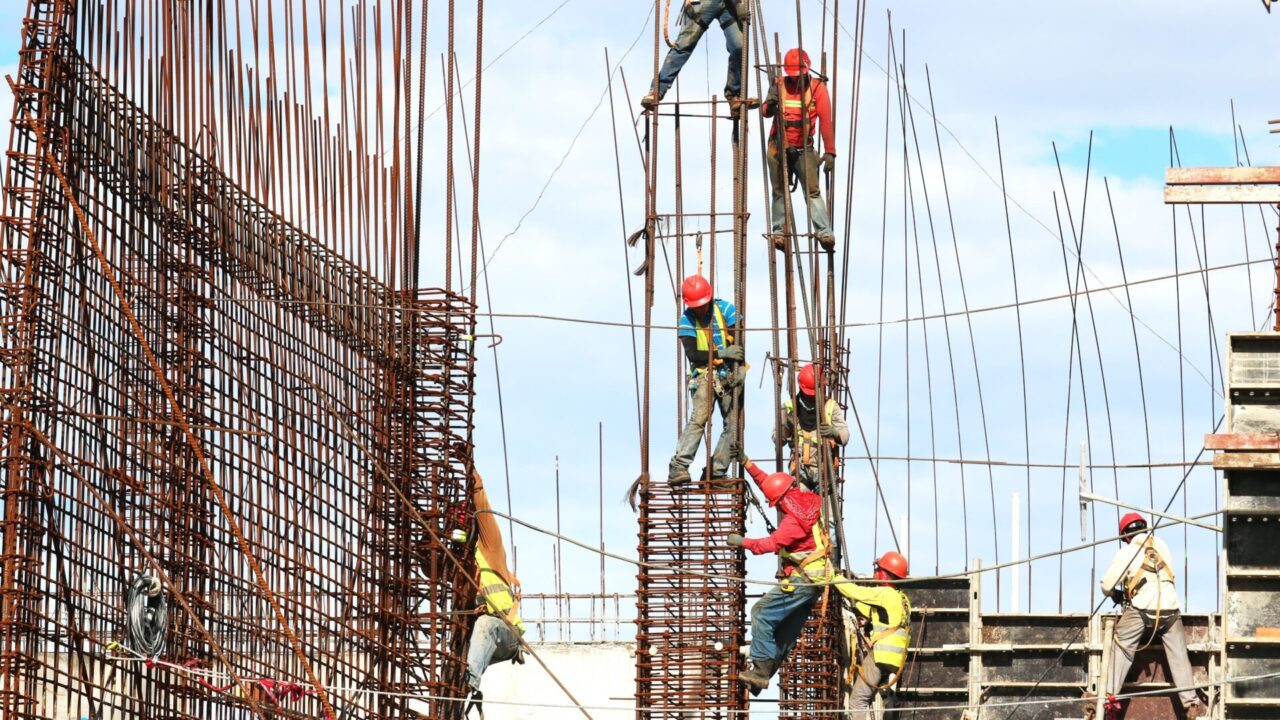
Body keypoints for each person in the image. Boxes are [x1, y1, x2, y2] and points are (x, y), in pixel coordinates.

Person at [731, 458, 830, 693]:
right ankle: (762, 676)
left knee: (761, 613)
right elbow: (769, 482)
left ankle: (761, 671)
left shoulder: (793, 522)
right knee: (785, 633)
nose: (775, 507)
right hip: (814, 581)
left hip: (803, 579)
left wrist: (742, 542)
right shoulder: (804, 501)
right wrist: (746, 463)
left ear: (780, 500)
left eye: (775, 503)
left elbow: (771, 543)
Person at [1097, 513, 1207, 718]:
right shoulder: (1161, 545)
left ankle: (1105, 697)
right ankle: (1190, 702)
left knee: (1123, 645)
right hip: (1170, 609)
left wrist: (1116, 594)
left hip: (1142, 608)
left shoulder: (1128, 551)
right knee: (1179, 655)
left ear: (1126, 536)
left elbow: (1106, 584)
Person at [668, 274, 744, 486]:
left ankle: (716, 472)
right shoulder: (686, 320)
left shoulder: (726, 310)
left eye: (702, 305)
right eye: (696, 306)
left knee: (734, 425)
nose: (700, 309)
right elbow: (693, 355)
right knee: (699, 419)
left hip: (727, 376)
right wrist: (722, 353)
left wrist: (739, 364)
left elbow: (738, 341)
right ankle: (678, 466)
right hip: (703, 375)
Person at [761, 48, 836, 250]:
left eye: (799, 76)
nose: (795, 80)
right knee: (779, 191)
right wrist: (771, 102)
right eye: (792, 76)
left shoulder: (817, 88)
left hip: (804, 149)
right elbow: (765, 113)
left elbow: (826, 121)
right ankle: (779, 232)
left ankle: (824, 232)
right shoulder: (779, 85)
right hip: (779, 147)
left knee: (812, 191)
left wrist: (830, 151)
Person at [462, 475, 526, 711]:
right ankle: (459, 690)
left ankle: (470, 682)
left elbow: (483, 510)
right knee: (455, 656)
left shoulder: (489, 549)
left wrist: (473, 475)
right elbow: (430, 569)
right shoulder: (461, 564)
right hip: (483, 641)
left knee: (486, 624)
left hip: (507, 633)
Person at [641, 0, 754, 111]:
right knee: (684, 46)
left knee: (739, 47)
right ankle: (656, 91)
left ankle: (734, 95)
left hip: (730, 4)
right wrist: (739, 7)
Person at [842, 551, 913, 715]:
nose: (876, 572)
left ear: (885, 573)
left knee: (857, 701)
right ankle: (890, 699)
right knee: (883, 692)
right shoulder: (902, 598)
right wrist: (853, 606)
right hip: (895, 659)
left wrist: (832, 577)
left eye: (878, 568)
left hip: (881, 655)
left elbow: (854, 591)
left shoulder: (884, 593)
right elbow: (873, 611)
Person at [772, 363, 849, 491]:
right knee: (801, 507)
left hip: (825, 471)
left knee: (828, 510)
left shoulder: (830, 406)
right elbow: (777, 440)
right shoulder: (789, 408)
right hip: (800, 471)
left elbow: (845, 436)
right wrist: (787, 430)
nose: (812, 396)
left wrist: (833, 433)